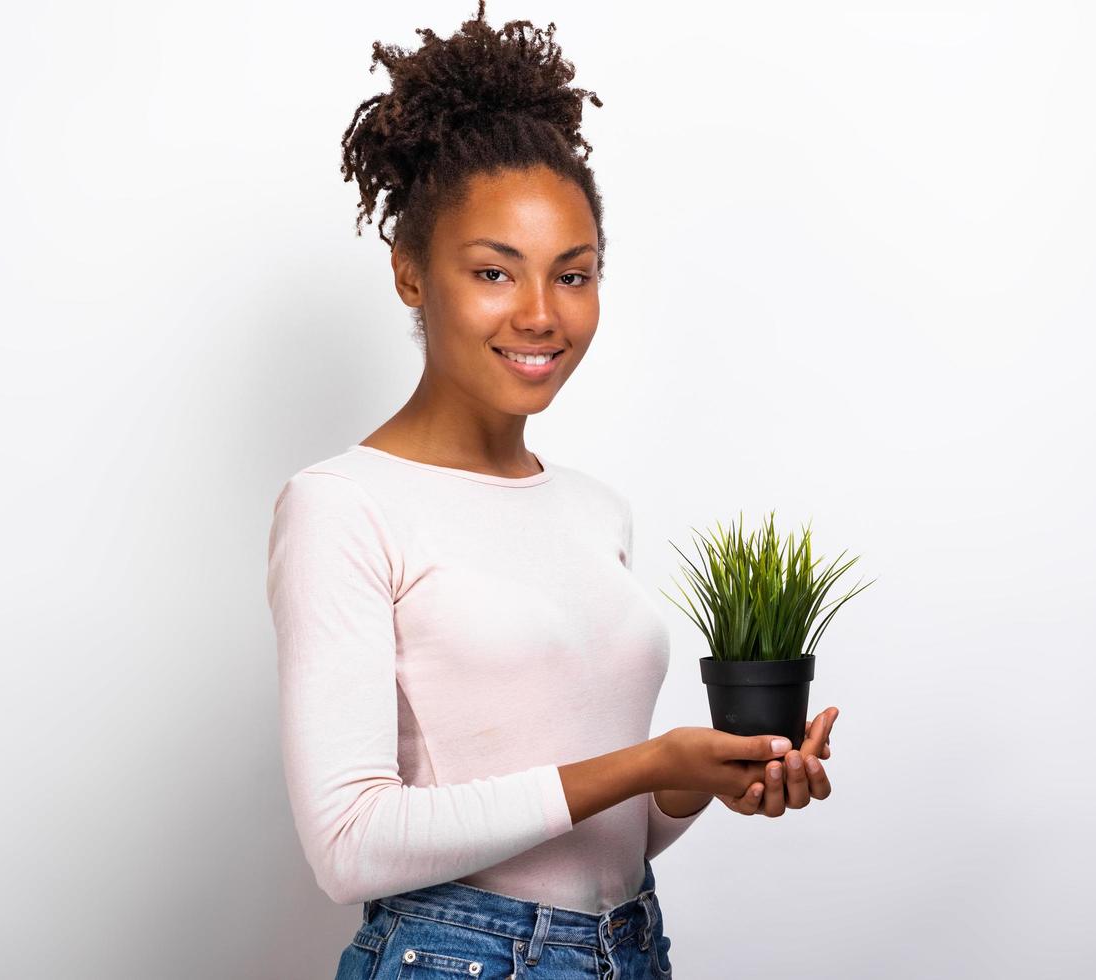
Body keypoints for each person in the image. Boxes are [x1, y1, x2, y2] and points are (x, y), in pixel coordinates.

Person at [265, 4, 839, 977]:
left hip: (629, 945)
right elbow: (349, 840)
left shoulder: (593, 509)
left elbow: (607, 837)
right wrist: (646, 760)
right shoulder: (342, 506)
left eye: (572, 276)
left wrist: (702, 777)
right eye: (494, 271)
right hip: (456, 958)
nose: (539, 314)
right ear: (410, 271)